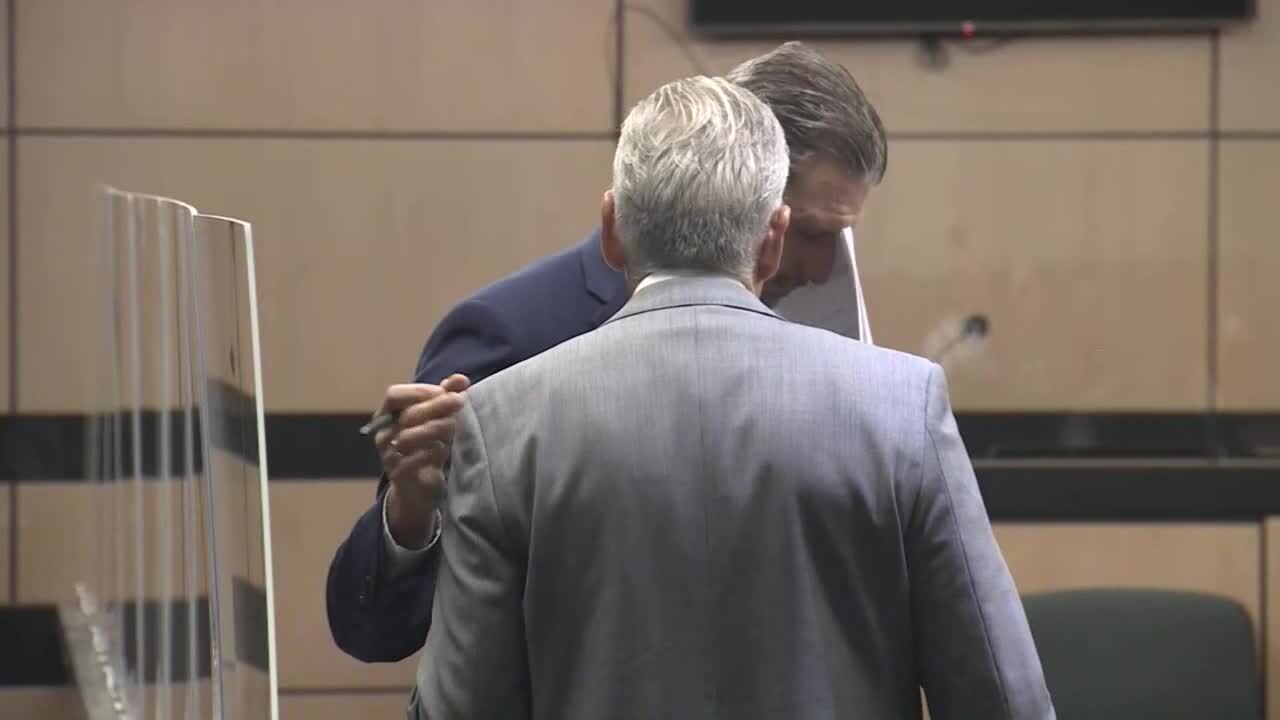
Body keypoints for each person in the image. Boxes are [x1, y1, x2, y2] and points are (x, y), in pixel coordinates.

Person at [408, 75, 1053, 719]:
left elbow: (455, 708)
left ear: (612, 231)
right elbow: (1004, 698)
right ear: (772, 239)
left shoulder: (500, 424)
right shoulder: (902, 408)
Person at [326, 40, 889, 663]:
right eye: (809, 233)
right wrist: (411, 513)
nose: (819, 269)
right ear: (747, 196)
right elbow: (373, 628)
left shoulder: (829, 348)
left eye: (839, 238)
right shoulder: (509, 333)